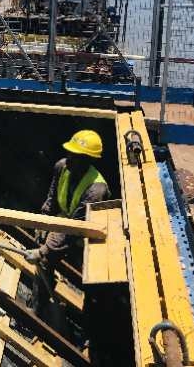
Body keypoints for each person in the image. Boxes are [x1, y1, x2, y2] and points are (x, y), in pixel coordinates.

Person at [26, 129, 110, 315]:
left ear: (88, 160)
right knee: (44, 252)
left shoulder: (96, 190)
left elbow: (74, 229)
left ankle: (84, 319)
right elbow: (52, 199)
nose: (70, 158)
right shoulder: (62, 167)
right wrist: (43, 223)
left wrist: (43, 251)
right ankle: (40, 300)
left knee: (93, 284)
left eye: (76, 156)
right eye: (70, 152)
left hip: (89, 236)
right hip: (69, 224)